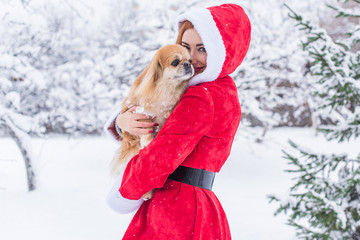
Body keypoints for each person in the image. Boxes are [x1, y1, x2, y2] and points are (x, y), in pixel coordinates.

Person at [104, 3, 251, 239]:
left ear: (221, 51)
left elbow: (160, 157)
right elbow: (154, 110)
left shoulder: (202, 96)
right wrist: (123, 122)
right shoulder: (219, 89)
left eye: (202, 49)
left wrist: (124, 193)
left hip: (176, 207)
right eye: (185, 47)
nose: (192, 58)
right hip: (198, 205)